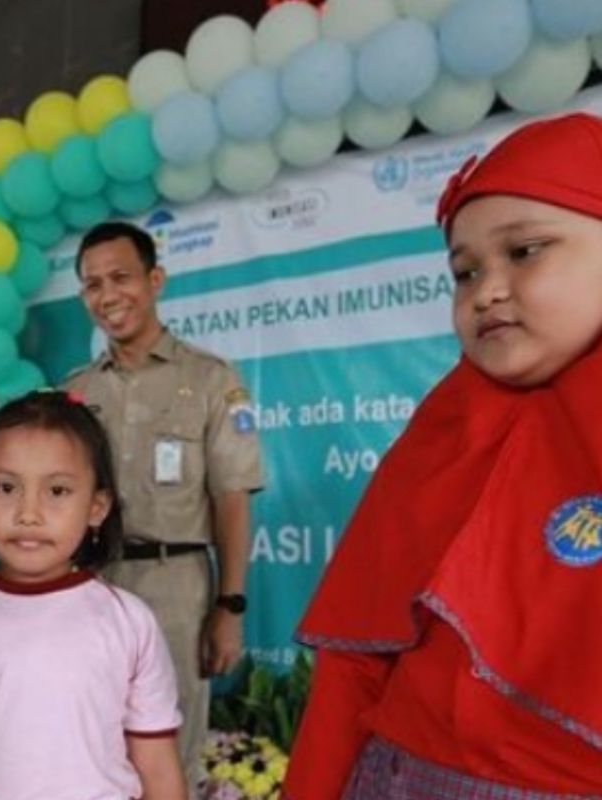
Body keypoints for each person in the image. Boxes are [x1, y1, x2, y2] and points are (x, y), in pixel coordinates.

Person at [284, 113, 602, 798]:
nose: (485, 289)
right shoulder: (443, 432)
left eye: (525, 252)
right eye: (464, 272)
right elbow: (355, 663)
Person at [0, 391, 189, 800]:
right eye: (6, 488)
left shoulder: (128, 621)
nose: (29, 513)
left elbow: (157, 767)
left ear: (97, 507)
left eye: (58, 491)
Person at [62, 221, 264, 768]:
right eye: (92, 284)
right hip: (90, 584)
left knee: (170, 746)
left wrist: (230, 607)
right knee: (90, 740)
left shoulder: (209, 379)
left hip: (176, 588)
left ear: (155, 280)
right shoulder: (75, 392)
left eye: (120, 278)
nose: (107, 296)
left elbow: (231, 497)